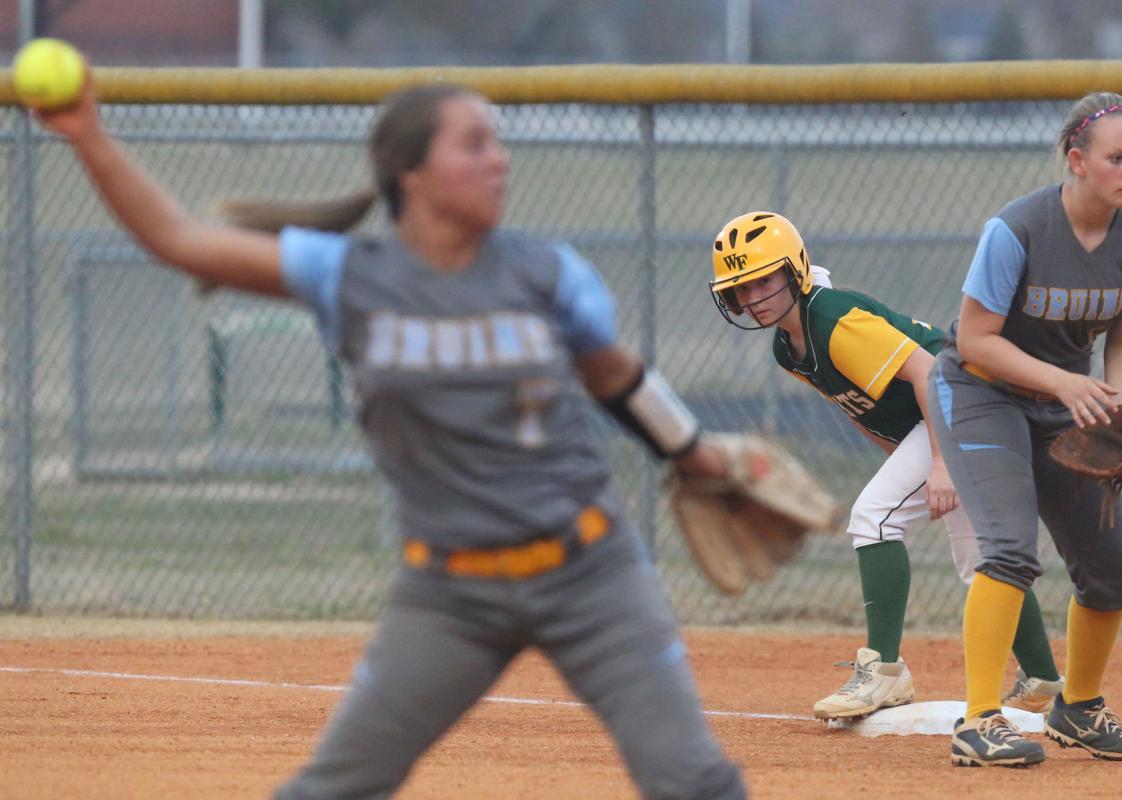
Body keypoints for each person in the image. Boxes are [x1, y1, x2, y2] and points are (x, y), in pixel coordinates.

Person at [32, 78, 748, 799]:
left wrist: (694, 453)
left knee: (695, 784)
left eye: (497, 141)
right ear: (412, 172)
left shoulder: (549, 272)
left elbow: (615, 375)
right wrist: (87, 133)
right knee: (328, 791)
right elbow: (178, 241)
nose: (499, 160)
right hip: (452, 594)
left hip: (591, 575)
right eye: (474, 144)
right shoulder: (349, 276)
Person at [707, 211, 1061, 721]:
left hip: (965, 403)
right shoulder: (789, 347)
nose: (754, 297)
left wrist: (940, 464)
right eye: (740, 288)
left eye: (764, 279)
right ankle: (1044, 682)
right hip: (955, 414)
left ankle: (885, 673)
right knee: (984, 561)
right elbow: (851, 403)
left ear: (796, 271)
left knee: (874, 517)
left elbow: (932, 373)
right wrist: (906, 461)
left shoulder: (829, 318)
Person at [928, 92, 1122, 767]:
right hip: (983, 393)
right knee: (1009, 549)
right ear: (1076, 161)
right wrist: (1067, 382)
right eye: (1117, 157)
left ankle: (1079, 709)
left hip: (1064, 404)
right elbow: (976, 341)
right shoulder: (1018, 229)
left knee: (1111, 567)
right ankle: (978, 720)